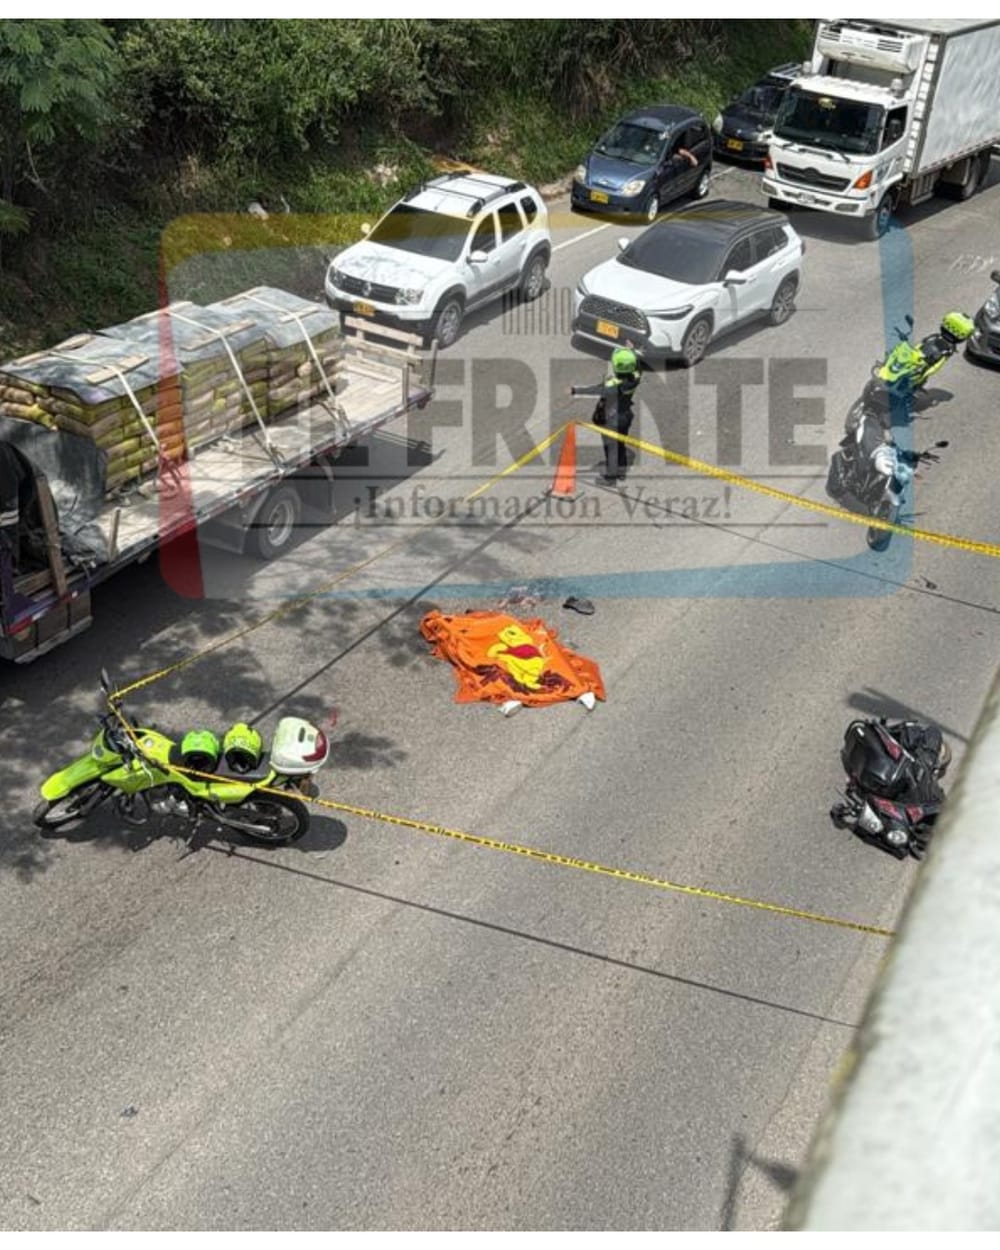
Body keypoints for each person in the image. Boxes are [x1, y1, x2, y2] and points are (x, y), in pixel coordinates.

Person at [569, 346, 643, 481]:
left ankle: (611, 476)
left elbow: (594, 390)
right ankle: (621, 470)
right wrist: (631, 352)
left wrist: (575, 390)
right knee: (620, 444)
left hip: (612, 419)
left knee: (611, 447)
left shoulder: (611, 386)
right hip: (625, 416)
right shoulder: (635, 378)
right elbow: (638, 365)